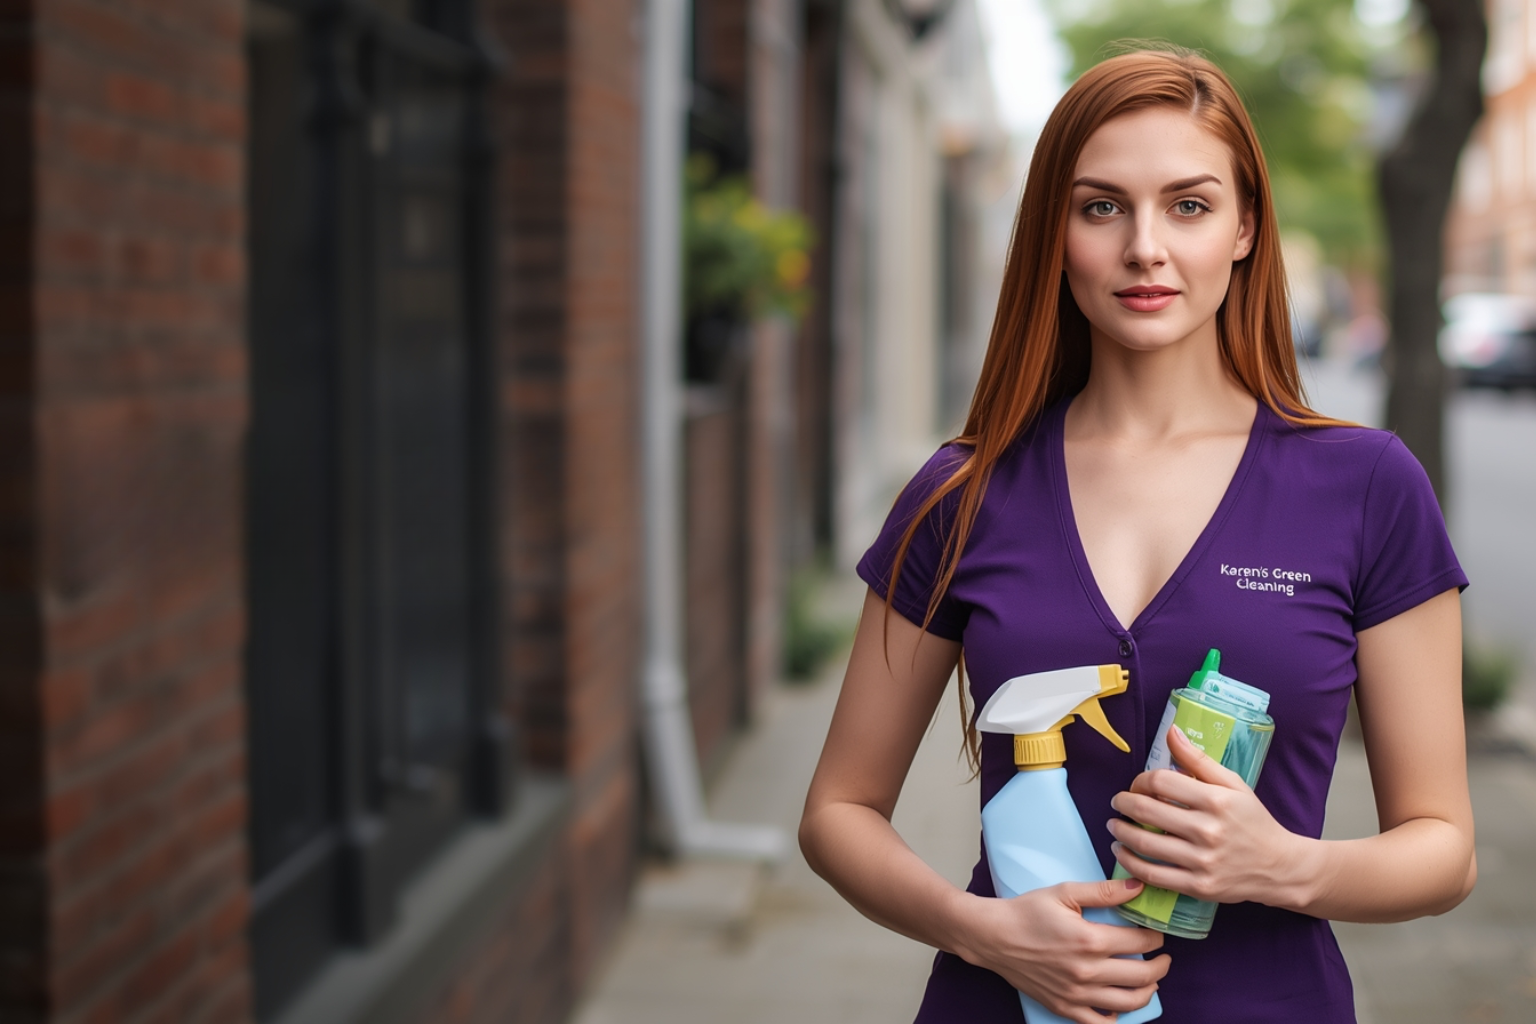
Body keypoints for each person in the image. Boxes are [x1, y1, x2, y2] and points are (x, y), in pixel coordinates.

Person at [798, 48, 1474, 1024]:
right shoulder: (962, 491)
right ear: (1055, 233)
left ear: (1245, 229)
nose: (1145, 247)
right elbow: (838, 812)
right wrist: (978, 928)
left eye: (1189, 206)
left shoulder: (1366, 487)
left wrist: (1284, 864)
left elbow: (1443, 846)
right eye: (1102, 206)